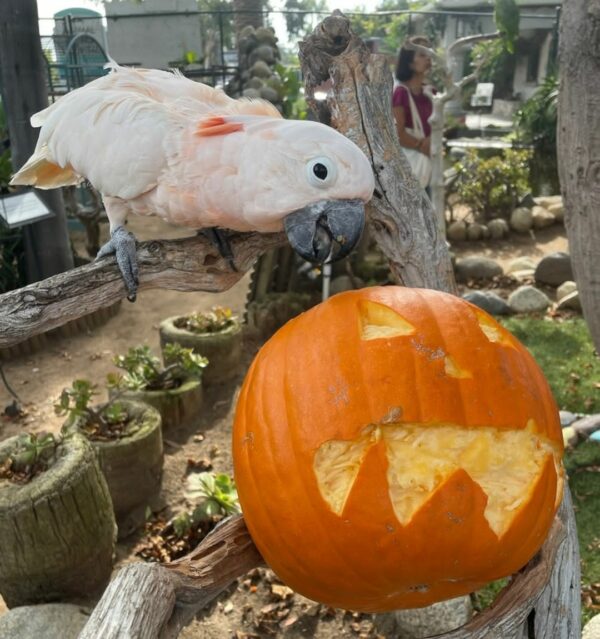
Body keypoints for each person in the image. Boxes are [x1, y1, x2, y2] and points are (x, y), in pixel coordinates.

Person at [392, 36, 434, 188]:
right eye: (422, 55)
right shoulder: (400, 93)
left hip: (430, 159)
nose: (428, 59)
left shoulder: (431, 92)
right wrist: (422, 145)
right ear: (409, 61)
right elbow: (398, 133)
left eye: (429, 54)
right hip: (412, 161)